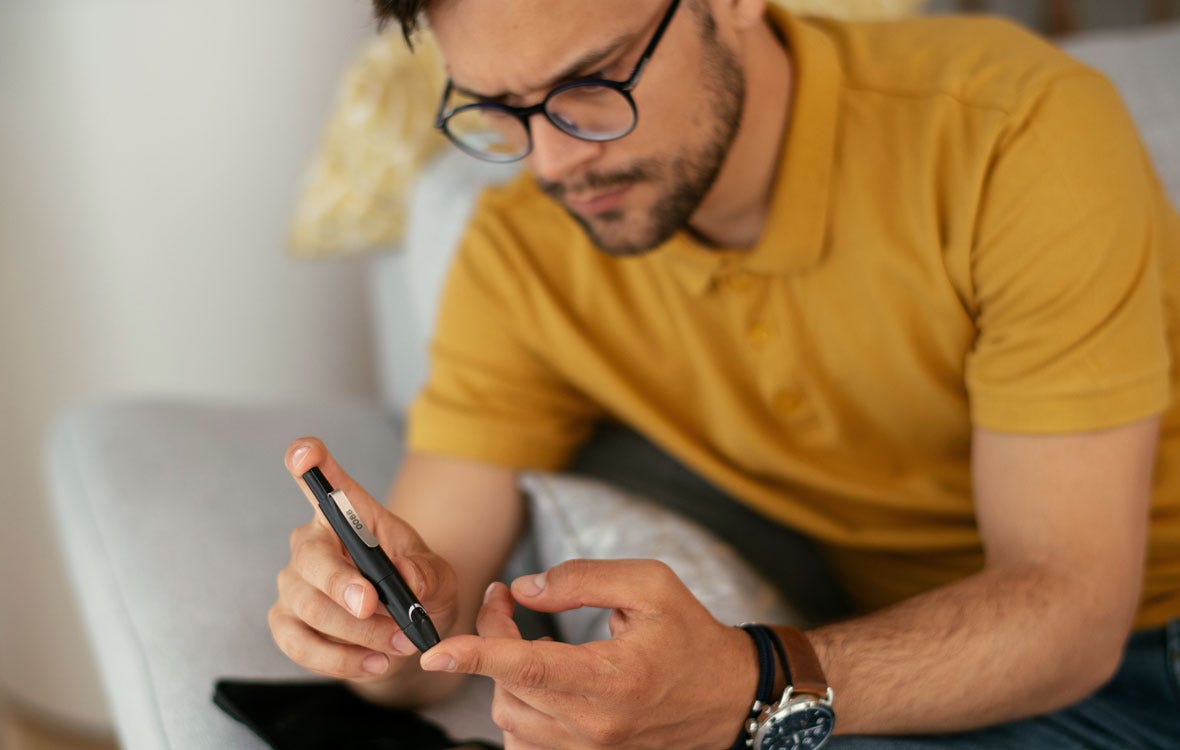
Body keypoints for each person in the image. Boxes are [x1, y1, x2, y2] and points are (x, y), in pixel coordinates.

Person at [268, 0, 1180, 747]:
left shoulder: (1014, 129)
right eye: (498, 107)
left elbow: (1072, 613)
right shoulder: (522, 257)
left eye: (591, 82)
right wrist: (370, 633)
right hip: (887, 679)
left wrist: (756, 680)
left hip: (1148, 657)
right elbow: (437, 599)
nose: (554, 161)